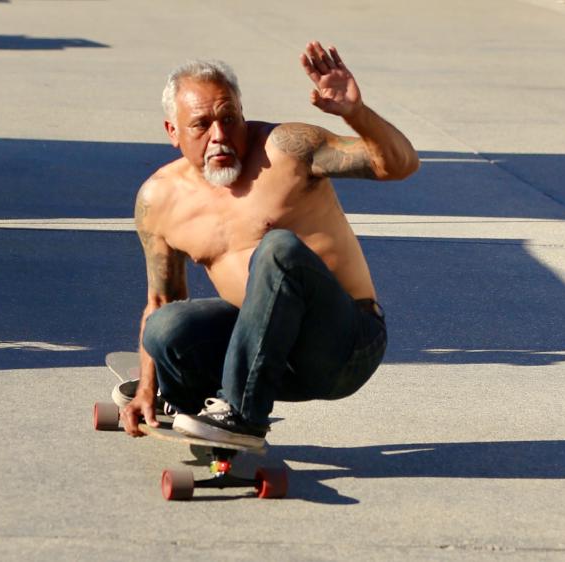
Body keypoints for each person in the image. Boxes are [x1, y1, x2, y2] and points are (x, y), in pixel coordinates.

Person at [117, 41, 419, 448]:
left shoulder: (288, 150)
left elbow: (401, 165)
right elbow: (161, 300)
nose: (219, 135)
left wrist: (356, 114)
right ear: (172, 131)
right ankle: (184, 401)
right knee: (165, 327)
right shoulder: (158, 200)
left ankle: (241, 414)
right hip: (263, 351)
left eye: (229, 118)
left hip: (342, 347)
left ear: (243, 115)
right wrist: (147, 389)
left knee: (279, 249)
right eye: (201, 125)